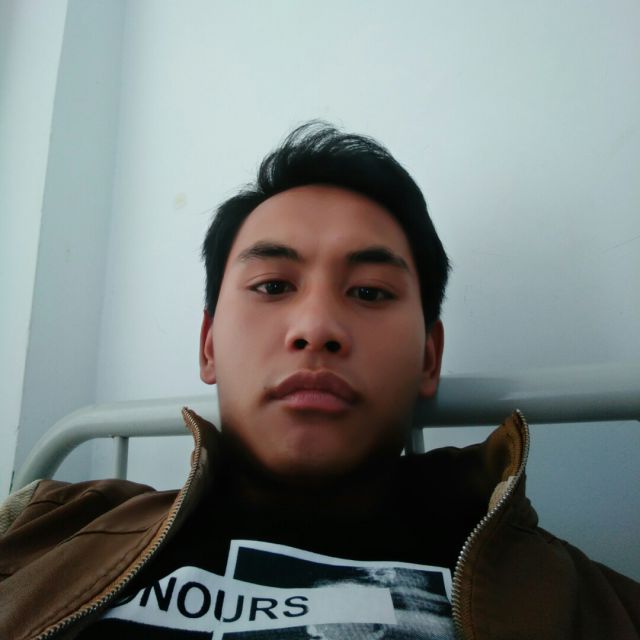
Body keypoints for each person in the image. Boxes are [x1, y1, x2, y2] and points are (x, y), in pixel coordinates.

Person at [0, 123, 638, 640]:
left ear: (429, 357)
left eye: (370, 291)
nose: (316, 328)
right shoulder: (43, 528)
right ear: (208, 344)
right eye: (273, 285)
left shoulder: (594, 608)